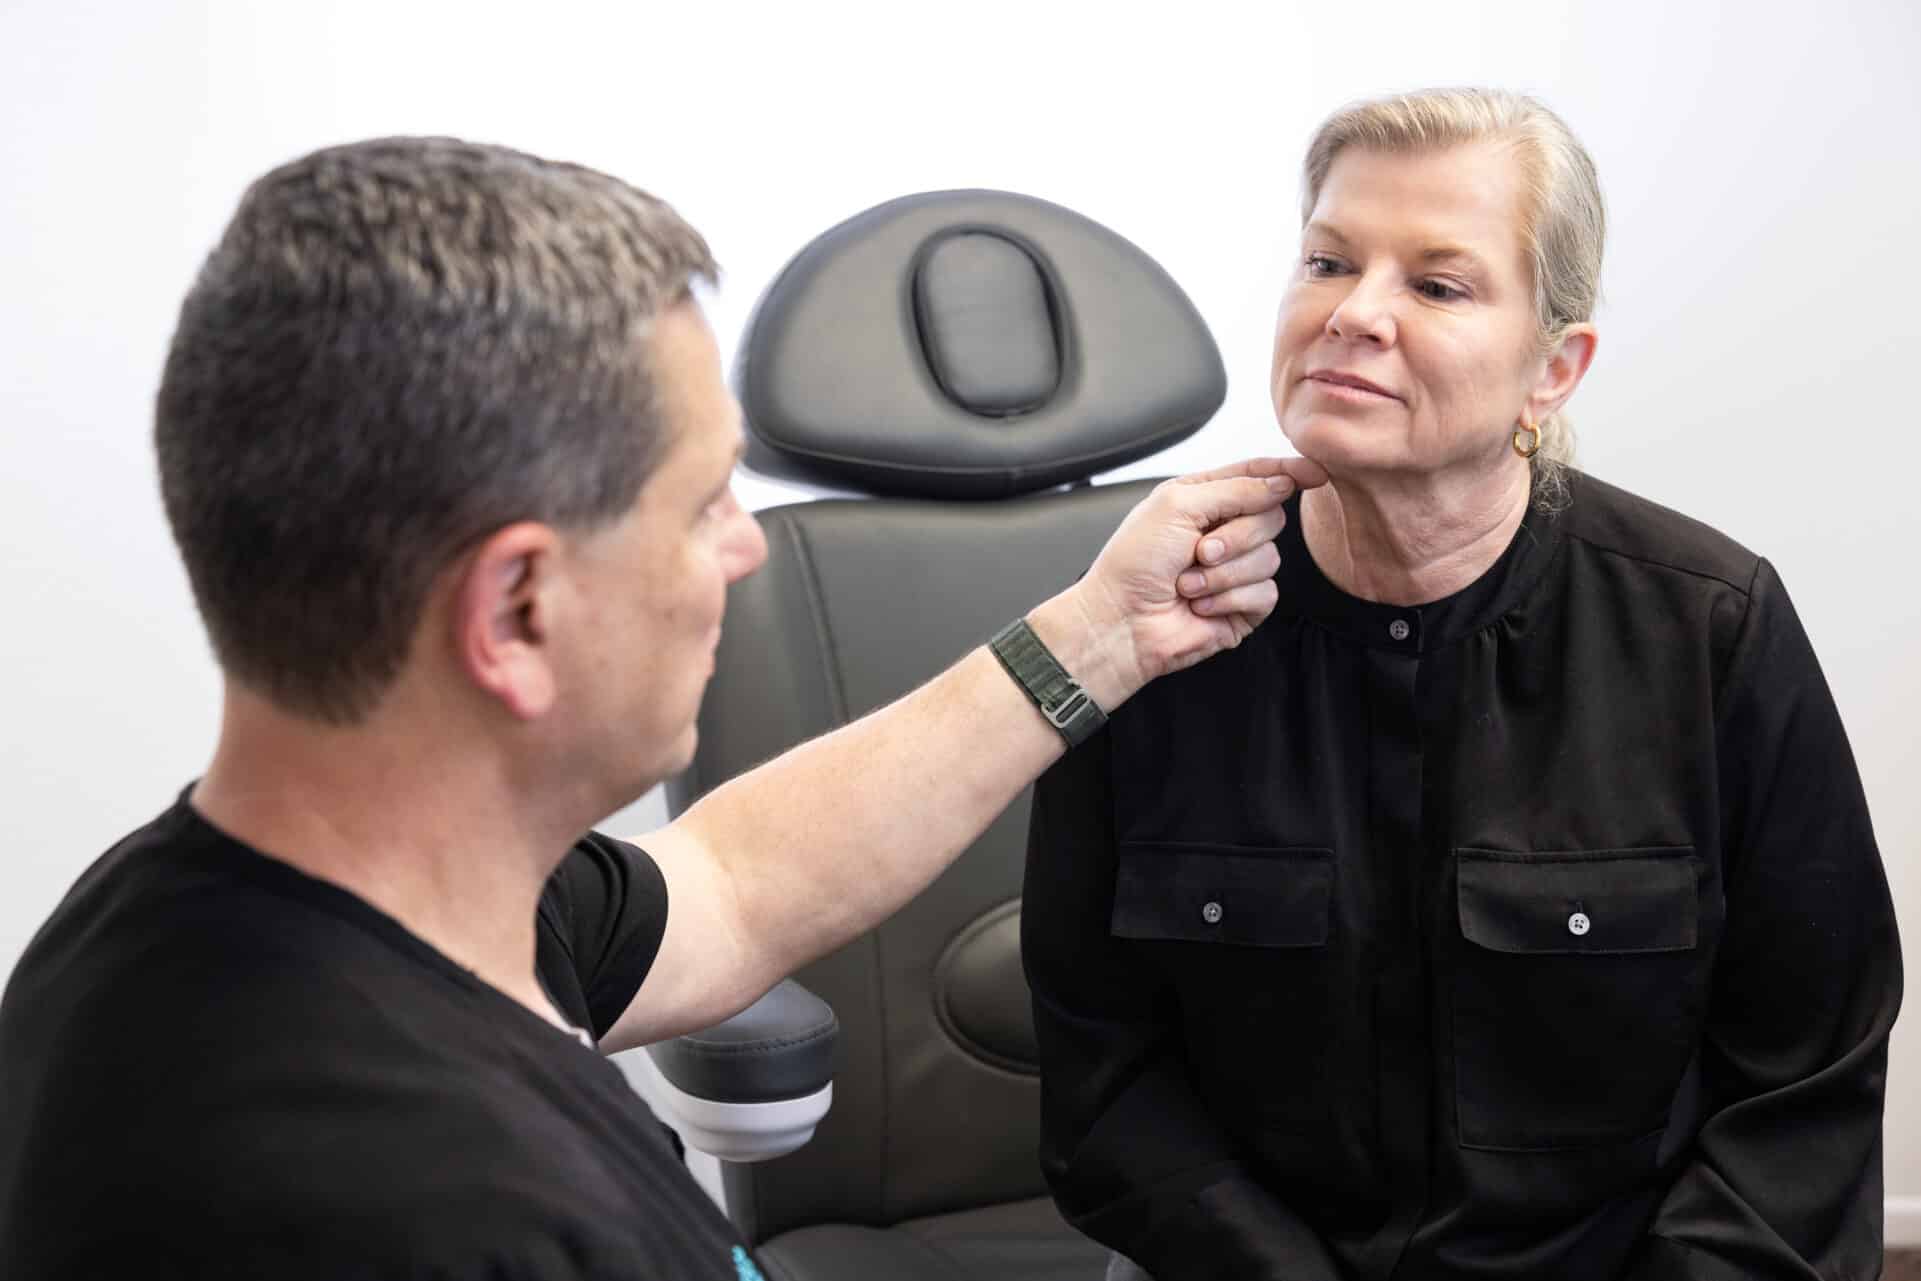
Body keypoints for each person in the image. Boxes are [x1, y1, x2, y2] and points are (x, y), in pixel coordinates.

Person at [0, 137, 1325, 1279]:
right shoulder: (424, 1210)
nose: (743, 550)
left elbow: (737, 884)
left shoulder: (241, 915)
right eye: (701, 506)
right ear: (518, 611)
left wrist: (1100, 636)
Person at [1024, 87, 1900, 1281]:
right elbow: (1103, 1066)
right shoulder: (1153, 621)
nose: (1352, 313)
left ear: (1553, 370)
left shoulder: (1709, 627)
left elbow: (1804, 1086)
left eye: (1436, 285)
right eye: (1328, 262)